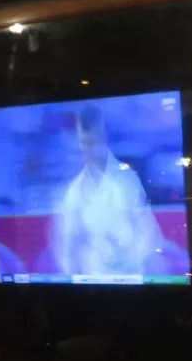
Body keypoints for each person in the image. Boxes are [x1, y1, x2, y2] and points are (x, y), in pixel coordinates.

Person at [51, 106, 178, 280]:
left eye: (93, 142)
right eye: (84, 143)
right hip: (95, 283)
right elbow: (67, 249)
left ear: (104, 138)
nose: (87, 149)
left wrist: (138, 261)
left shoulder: (127, 181)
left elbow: (148, 234)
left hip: (133, 278)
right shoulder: (74, 192)